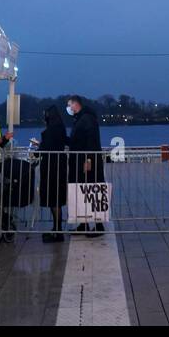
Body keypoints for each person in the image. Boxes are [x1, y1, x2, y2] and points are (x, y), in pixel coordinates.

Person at [65, 96, 105, 236]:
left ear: (76, 104)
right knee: (84, 192)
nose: (68, 108)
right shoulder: (82, 119)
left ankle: (98, 225)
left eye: (69, 105)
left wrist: (88, 160)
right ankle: (84, 224)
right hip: (81, 161)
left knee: (91, 192)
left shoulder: (86, 119)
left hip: (86, 162)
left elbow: (91, 141)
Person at [35, 105, 68, 242]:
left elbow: (46, 147)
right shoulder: (60, 128)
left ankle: (58, 231)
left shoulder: (50, 131)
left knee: (53, 199)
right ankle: (57, 229)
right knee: (57, 200)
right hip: (59, 166)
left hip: (51, 168)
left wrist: (39, 147)